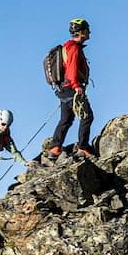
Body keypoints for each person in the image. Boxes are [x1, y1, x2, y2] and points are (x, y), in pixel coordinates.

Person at [43, 17, 93, 158]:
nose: (90, 32)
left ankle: (55, 148)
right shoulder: (74, 48)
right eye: (87, 30)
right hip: (72, 88)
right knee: (87, 116)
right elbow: (72, 69)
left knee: (66, 119)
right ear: (81, 32)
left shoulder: (67, 47)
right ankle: (83, 147)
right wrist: (77, 86)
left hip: (63, 88)